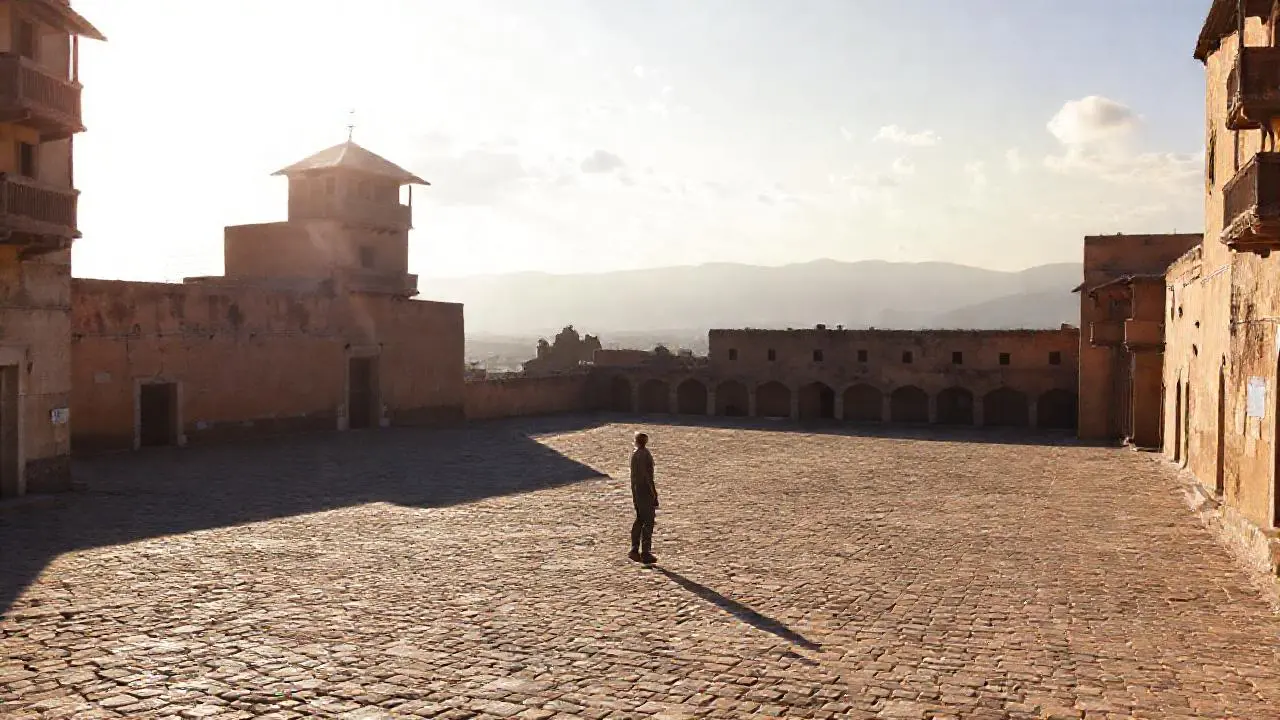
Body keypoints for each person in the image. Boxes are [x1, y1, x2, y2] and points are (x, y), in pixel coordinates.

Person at [628, 432, 659, 564]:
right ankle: (645, 552)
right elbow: (648, 477)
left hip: (636, 490)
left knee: (640, 518)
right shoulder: (645, 455)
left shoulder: (634, 454)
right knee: (648, 521)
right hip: (645, 491)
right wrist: (654, 494)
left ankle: (634, 549)